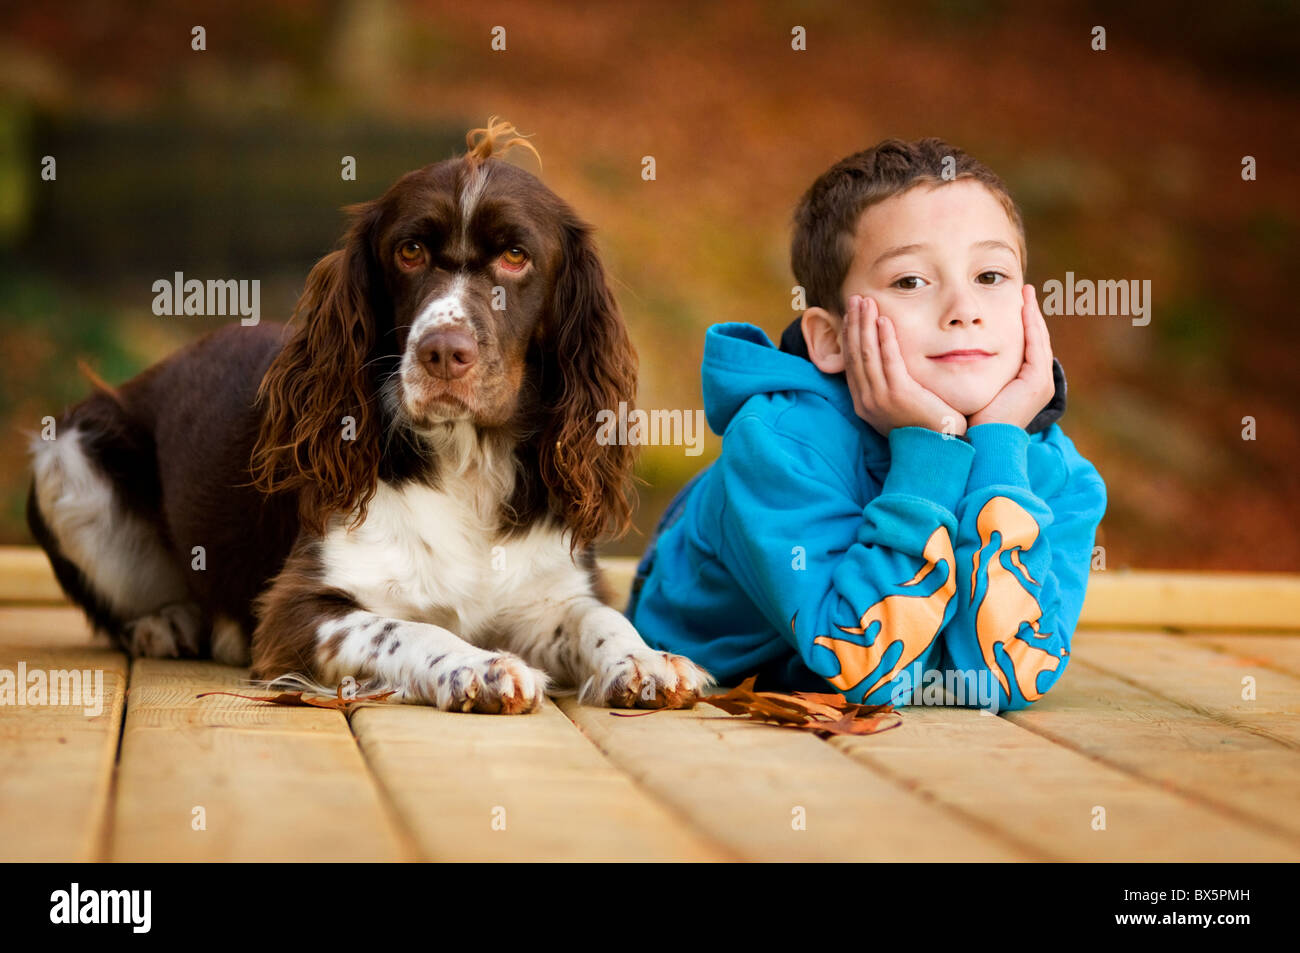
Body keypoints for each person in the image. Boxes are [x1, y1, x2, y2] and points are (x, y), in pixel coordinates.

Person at [625, 137, 1107, 713]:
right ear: (830, 340)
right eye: (910, 281)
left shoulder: (1061, 477)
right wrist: (927, 452)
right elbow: (864, 669)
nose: (964, 308)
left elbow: (1007, 678)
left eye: (990, 275)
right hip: (701, 674)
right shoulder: (779, 443)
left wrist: (998, 447)